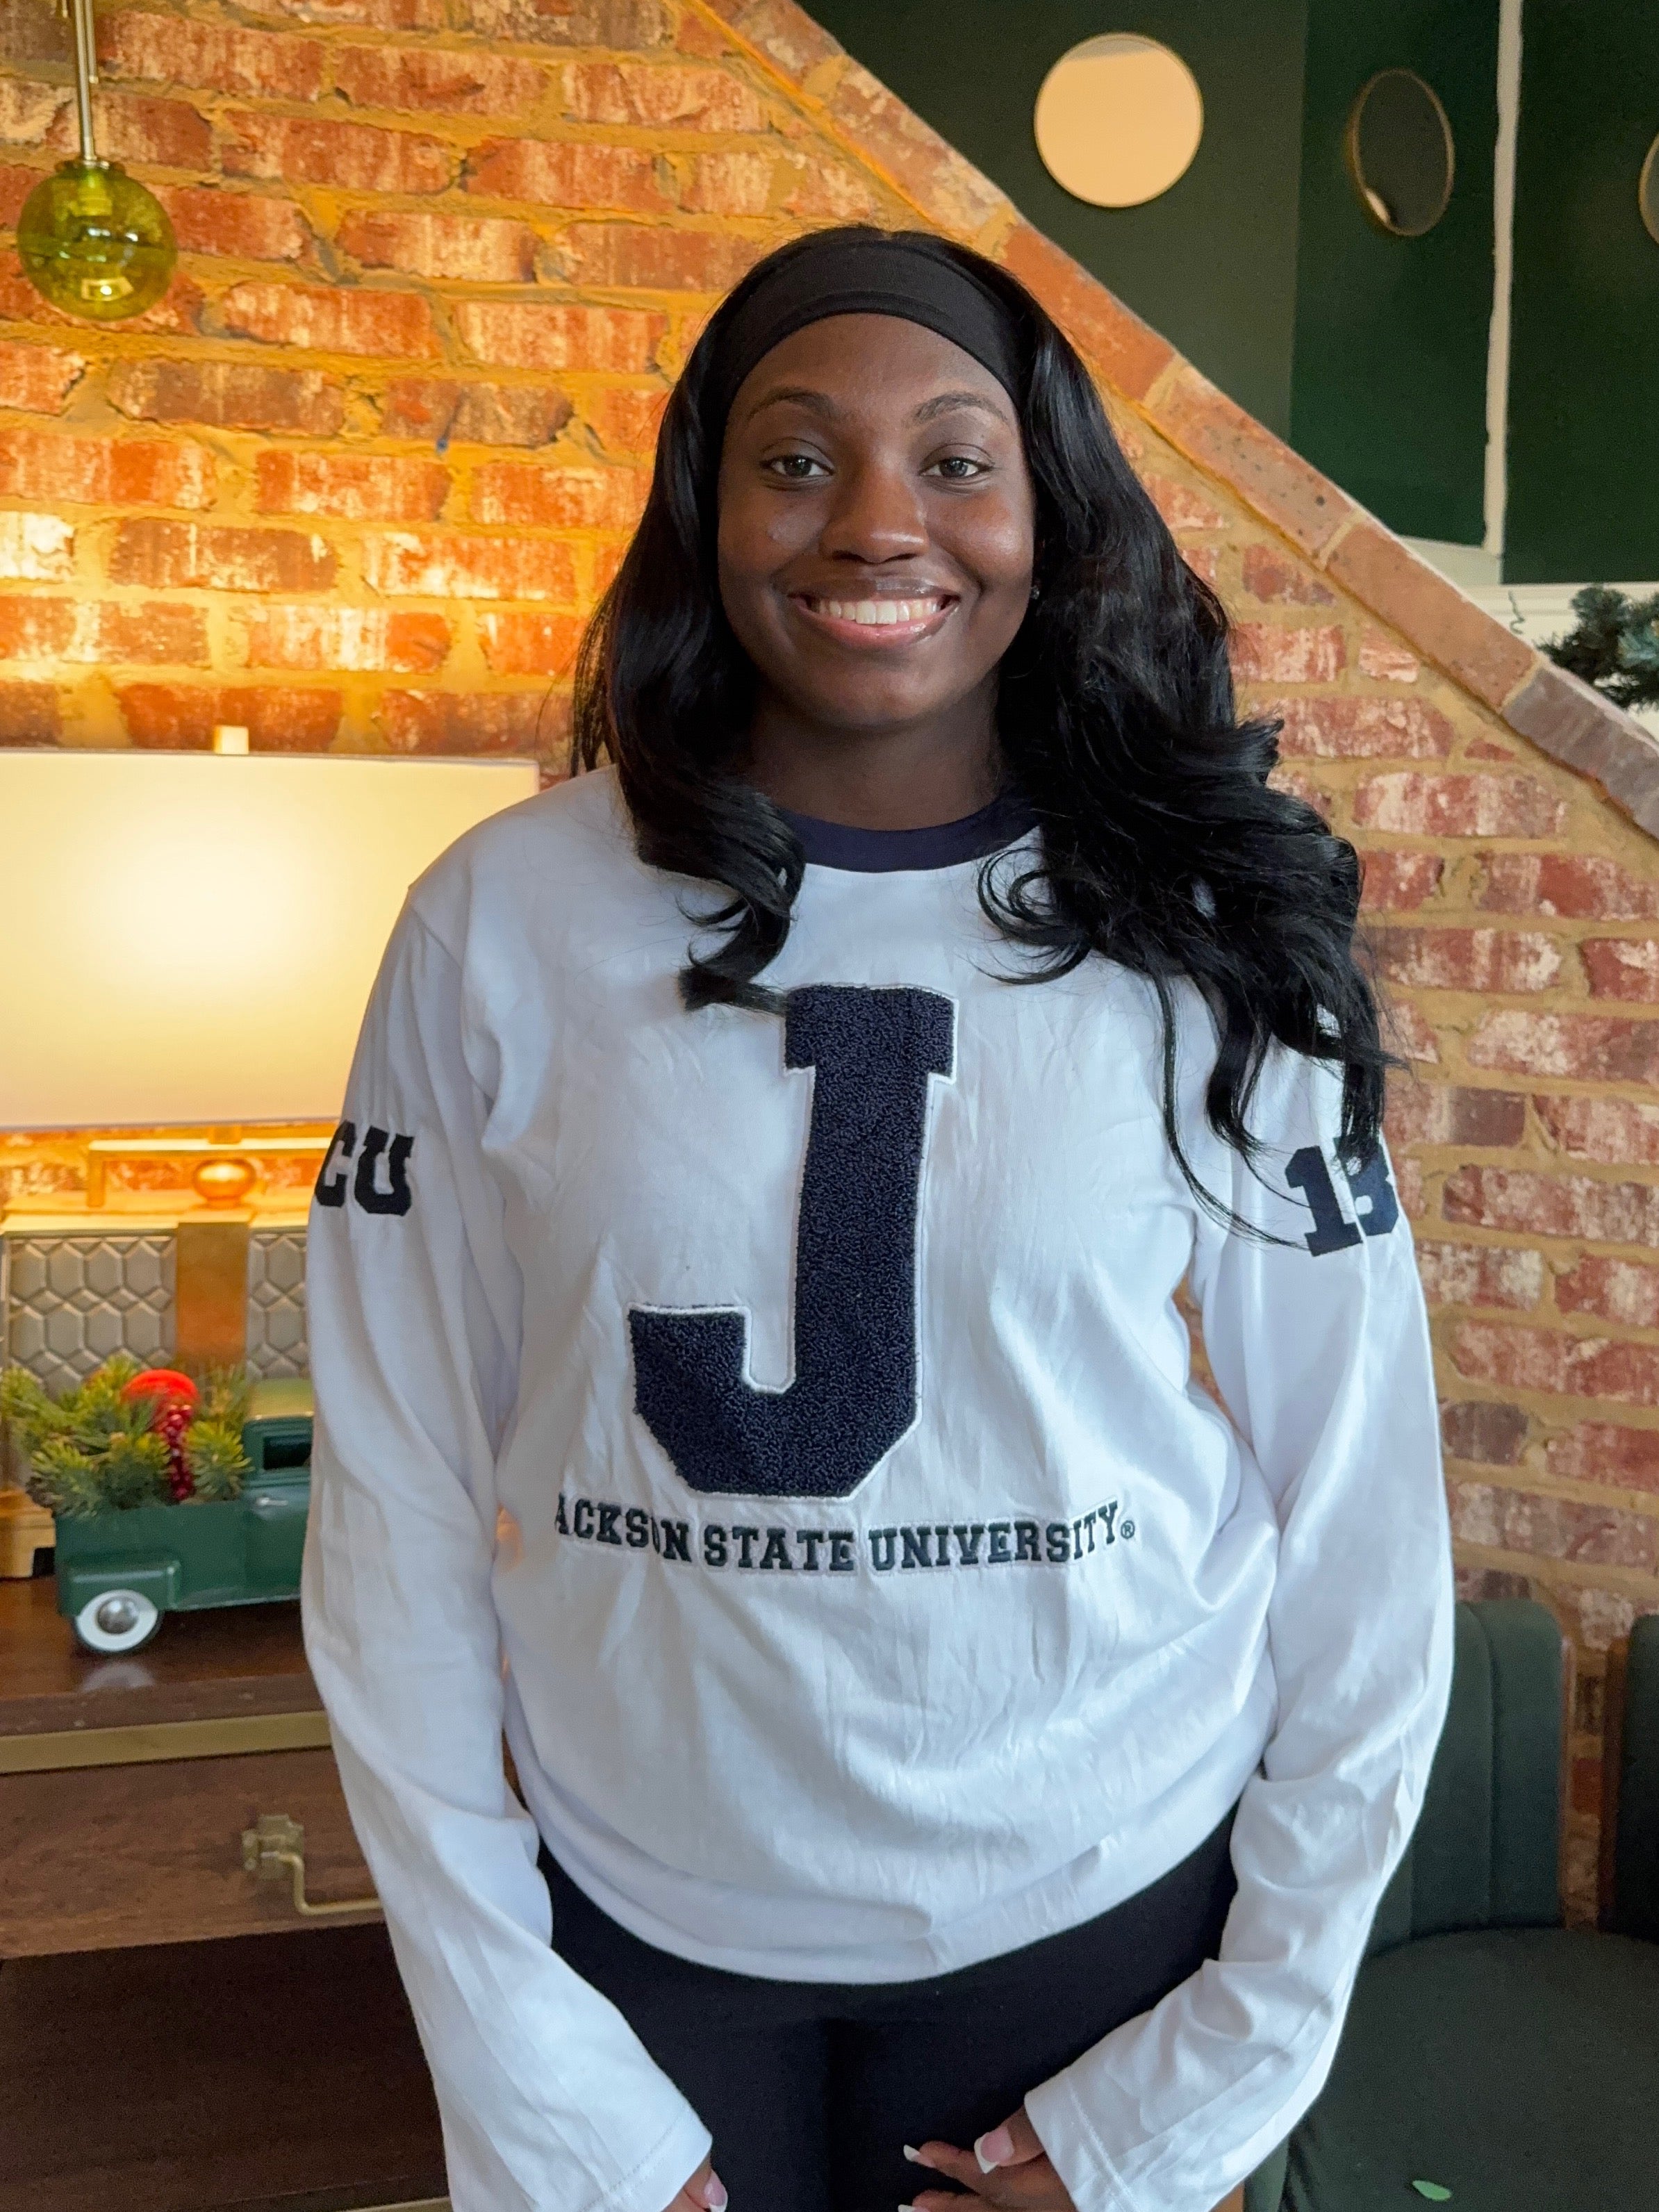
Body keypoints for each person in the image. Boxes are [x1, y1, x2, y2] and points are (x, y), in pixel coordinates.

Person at [302, 226, 1453, 2212]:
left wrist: (1199, 2080)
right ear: (705, 500)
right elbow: (392, 1506)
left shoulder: (1207, 932)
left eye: (952, 457)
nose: (873, 524)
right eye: (792, 457)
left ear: (1044, 504)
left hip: (1091, 1917)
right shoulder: (497, 921)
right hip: (640, 1925)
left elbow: (1358, 1532)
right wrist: (538, 2078)